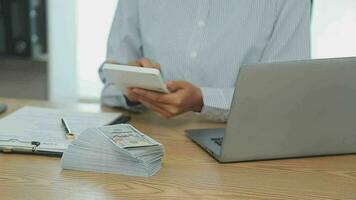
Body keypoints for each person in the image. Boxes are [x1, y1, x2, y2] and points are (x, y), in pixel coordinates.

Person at [99, 0, 311, 122]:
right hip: (150, 141)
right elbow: (111, 82)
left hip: (239, 151)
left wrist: (204, 100)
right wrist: (135, 90)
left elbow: (284, 96)